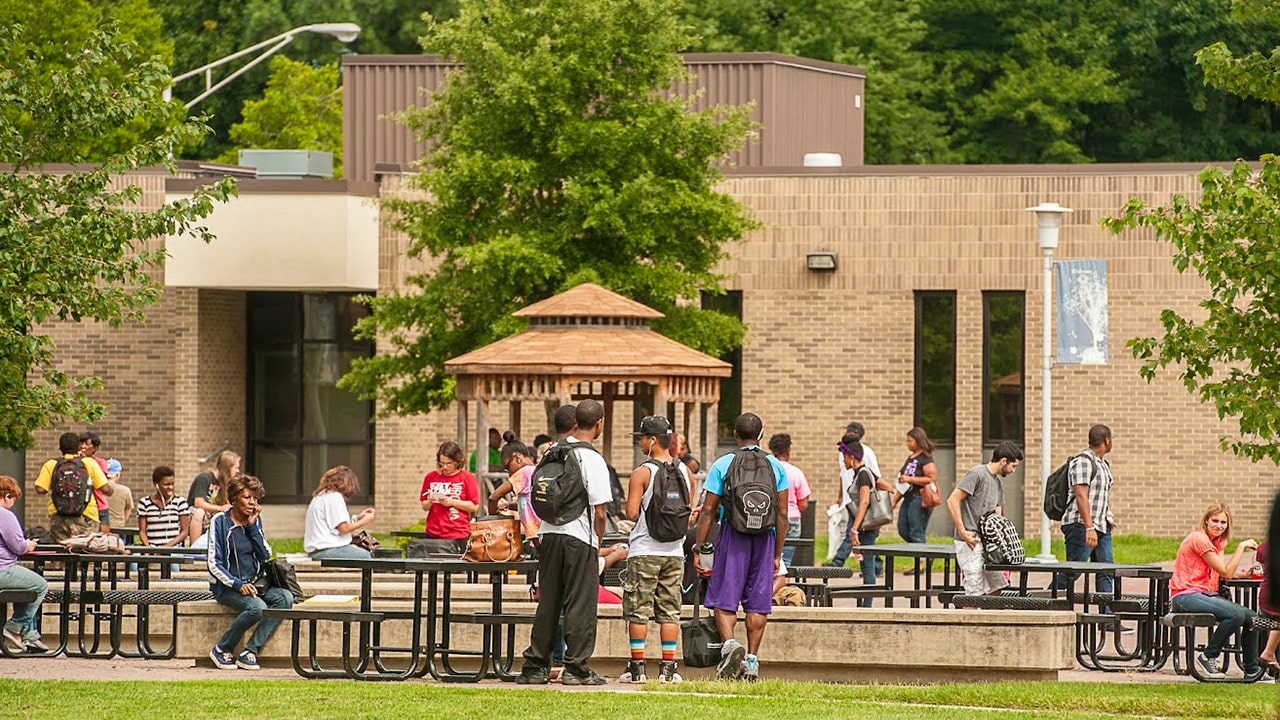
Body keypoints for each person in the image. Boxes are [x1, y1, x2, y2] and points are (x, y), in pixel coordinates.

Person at [518, 399, 613, 686]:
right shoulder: (593, 459)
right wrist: (597, 541)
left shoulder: (552, 451)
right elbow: (599, 511)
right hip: (578, 537)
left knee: (548, 601)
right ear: (599, 424)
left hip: (548, 534)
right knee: (580, 604)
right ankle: (576, 667)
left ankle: (535, 666)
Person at [693, 412, 789, 681]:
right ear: (762, 434)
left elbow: (709, 510)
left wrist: (699, 547)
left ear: (735, 434)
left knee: (725, 597)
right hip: (764, 538)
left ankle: (730, 647)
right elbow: (782, 514)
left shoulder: (724, 464)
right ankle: (752, 660)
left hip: (733, 535)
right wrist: (778, 553)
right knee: (758, 601)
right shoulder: (775, 465)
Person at [619, 415, 691, 684]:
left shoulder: (642, 472)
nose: (640, 443)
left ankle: (637, 667)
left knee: (639, 609)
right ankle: (668, 669)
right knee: (670, 610)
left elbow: (631, 512)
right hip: (674, 551)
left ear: (651, 440)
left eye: (641, 438)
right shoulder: (685, 471)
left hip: (645, 550)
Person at [207, 474, 292, 671]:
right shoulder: (219, 521)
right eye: (247, 498)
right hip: (227, 586)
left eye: (255, 498)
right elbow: (213, 563)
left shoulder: (254, 521)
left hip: (254, 584)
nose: (252, 503)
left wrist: (254, 528)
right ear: (235, 499)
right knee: (257, 608)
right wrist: (237, 584)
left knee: (285, 598)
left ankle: (249, 652)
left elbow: (266, 556)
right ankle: (222, 648)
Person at [1169, 503, 1260, 679]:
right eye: (1215, 521)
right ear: (1206, 521)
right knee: (1235, 615)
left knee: (1252, 617)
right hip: (1184, 596)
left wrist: (1241, 576)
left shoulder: (1216, 543)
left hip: (1202, 594)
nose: (1219, 525)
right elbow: (1225, 571)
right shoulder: (1199, 539)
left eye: (1223, 522)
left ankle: (1252, 669)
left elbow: (1221, 572)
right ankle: (1208, 656)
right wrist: (1241, 547)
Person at [946, 441, 1023, 596]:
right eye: (1013, 466)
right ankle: (970, 619)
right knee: (974, 589)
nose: (1014, 471)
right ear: (1003, 461)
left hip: (989, 543)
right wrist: (962, 531)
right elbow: (952, 500)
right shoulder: (977, 474)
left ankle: (993, 620)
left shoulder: (998, 482)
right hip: (971, 540)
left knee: (996, 585)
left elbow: (998, 515)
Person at [1055, 425, 1117, 594]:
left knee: (1106, 572)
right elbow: (1081, 495)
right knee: (1073, 571)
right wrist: (1089, 527)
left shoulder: (1103, 464)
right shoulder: (1083, 461)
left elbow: (1101, 497)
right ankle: (1043, 603)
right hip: (1081, 525)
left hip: (1101, 527)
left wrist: (1107, 519)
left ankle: (1107, 619)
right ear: (1106, 440)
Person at [840, 437, 893, 604]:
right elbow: (887, 486)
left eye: (845, 456)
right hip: (864, 528)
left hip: (865, 529)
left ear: (852, 457)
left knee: (868, 567)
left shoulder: (863, 474)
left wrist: (854, 529)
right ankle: (866, 604)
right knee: (864, 565)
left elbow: (864, 501)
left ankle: (867, 606)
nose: (843, 460)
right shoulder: (864, 472)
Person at [0, 475, 50, 654]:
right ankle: (16, 627)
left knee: (27, 585)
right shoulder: (5, 515)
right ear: (7, 496)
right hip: (3, 569)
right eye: (13, 498)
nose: (13, 502)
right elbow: (18, 547)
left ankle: (30, 635)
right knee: (39, 585)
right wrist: (28, 544)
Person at [34, 431, 112, 542]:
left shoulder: (51, 464)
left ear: (60, 448)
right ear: (79, 447)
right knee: (86, 552)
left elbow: (40, 489)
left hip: (59, 516)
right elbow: (106, 489)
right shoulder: (89, 463)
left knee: (60, 553)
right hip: (86, 516)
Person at [830, 421, 881, 566]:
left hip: (860, 506)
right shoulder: (845, 453)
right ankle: (876, 566)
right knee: (865, 549)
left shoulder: (866, 455)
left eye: (849, 432)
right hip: (850, 501)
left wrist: (854, 529)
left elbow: (875, 478)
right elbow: (842, 475)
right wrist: (841, 495)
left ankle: (837, 563)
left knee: (857, 539)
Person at [417, 441, 480, 554]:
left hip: (458, 533)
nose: (445, 467)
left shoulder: (467, 478)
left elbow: (474, 506)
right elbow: (424, 506)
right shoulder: (431, 477)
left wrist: (452, 502)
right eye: (442, 463)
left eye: (449, 463)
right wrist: (430, 500)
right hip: (433, 532)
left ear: (457, 461)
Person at [304, 466, 376, 560]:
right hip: (328, 550)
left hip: (318, 551)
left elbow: (334, 523)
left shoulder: (322, 495)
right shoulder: (335, 497)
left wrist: (357, 518)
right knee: (367, 556)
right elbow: (343, 529)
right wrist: (365, 521)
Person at [895, 427, 938, 572]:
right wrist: (895, 500)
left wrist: (909, 478)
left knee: (916, 531)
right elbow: (903, 482)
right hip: (907, 497)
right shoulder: (911, 458)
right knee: (903, 529)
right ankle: (928, 553)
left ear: (919, 441)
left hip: (919, 498)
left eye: (910, 441)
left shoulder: (926, 458)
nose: (908, 444)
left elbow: (932, 478)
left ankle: (919, 564)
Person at [767, 433, 810, 567]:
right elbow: (803, 503)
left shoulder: (767, 470)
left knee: (768, 562)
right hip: (792, 519)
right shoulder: (796, 472)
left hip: (770, 518)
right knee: (786, 564)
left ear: (773, 451)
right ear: (788, 450)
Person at [487, 432, 539, 542]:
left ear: (517, 457)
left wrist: (493, 522)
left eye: (507, 467)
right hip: (539, 534)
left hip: (536, 535)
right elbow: (529, 504)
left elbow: (493, 498)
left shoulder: (524, 472)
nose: (509, 473)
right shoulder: (535, 470)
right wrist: (508, 505)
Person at [188, 451, 239, 547]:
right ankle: (194, 549)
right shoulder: (204, 478)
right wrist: (220, 508)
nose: (238, 471)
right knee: (199, 512)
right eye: (236, 467)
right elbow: (198, 502)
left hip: (212, 514)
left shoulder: (224, 482)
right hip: (194, 515)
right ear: (228, 467)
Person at [137, 466, 191, 548]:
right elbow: (142, 531)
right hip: (151, 547)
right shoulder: (144, 503)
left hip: (173, 548)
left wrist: (167, 547)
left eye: (172, 484)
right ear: (156, 484)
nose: (170, 487)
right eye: (166, 484)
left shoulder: (180, 502)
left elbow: (184, 531)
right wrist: (148, 549)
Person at [79, 432, 112, 532]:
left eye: (86, 444)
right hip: (81, 506)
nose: (82, 447)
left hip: (99, 505)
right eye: (81, 444)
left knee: (102, 537)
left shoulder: (100, 462)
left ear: (95, 448)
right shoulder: (75, 462)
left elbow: (100, 481)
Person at [103, 459, 134, 531]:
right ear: (117, 474)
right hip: (118, 527)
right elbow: (128, 509)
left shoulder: (97, 489)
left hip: (100, 527)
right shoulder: (125, 490)